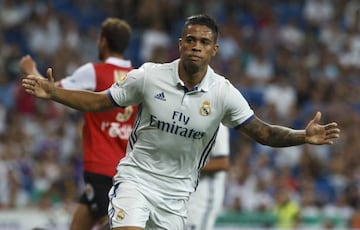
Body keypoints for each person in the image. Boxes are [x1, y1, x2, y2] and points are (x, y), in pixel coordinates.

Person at [22, 14, 340, 230]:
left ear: (214, 49)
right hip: (135, 180)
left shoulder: (223, 93)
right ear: (180, 44)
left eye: (203, 42)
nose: (196, 47)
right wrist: (56, 93)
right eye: (190, 40)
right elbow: (99, 101)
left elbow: (264, 132)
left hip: (176, 197)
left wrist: (302, 135)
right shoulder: (149, 76)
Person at [20, 18, 137, 230]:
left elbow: (49, 90)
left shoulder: (94, 71)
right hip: (128, 170)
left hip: (101, 167)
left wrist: (30, 68)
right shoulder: (138, 77)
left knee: (113, 225)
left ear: (102, 41)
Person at [186, 123, 230, 230]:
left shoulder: (217, 125)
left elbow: (222, 163)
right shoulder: (189, 118)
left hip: (203, 198)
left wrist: (184, 167)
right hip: (186, 194)